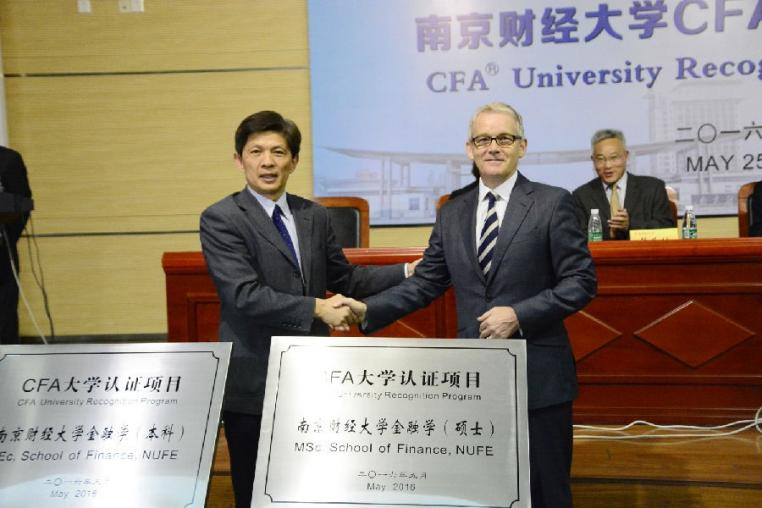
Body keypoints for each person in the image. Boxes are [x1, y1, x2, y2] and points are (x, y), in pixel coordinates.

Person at [347, 102, 597, 508]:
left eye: (504, 138)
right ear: (470, 149)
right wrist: (368, 310)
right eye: (483, 139)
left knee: (546, 491)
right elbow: (427, 281)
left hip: (539, 374)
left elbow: (581, 282)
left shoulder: (553, 202)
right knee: (483, 491)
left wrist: (519, 315)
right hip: (474, 380)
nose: (493, 147)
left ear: (522, 146)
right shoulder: (453, 210)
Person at [200, 110, 415, 508]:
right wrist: (317, 308)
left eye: (278, 152)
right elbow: (244, 295)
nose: (268, 162)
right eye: (256, 152)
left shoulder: (313, 215)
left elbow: (347, 279)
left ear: (294, 161)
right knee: (256, 491)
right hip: (255, 378)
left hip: (313, 376)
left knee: (315, 487)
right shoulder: (221, 218)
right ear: (239, 160)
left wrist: (407, 270)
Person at [572, 129, 674, 240]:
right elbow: (576, 237)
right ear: (593, 160)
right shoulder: (581, 196)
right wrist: (610, 234)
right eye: (600, 159)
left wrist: (630, 226)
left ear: (626, 156)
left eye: (614, 157)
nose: (607, 166)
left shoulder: (653, 188)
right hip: (601, 252)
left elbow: (667, 229)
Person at [0, 146, 32, 345]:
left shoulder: (8, 160)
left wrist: (5, 240)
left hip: (2, 258)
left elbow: (22, 206)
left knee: (4, 322)